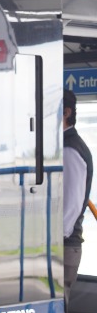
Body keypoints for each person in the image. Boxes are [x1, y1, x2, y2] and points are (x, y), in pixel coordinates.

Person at [64, 88, 91, 290]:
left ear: (67, 113)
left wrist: (51, 240)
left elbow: (71, 205)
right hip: (64, 244)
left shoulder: (69, 149)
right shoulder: (66, 145)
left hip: (63, 246)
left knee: (57, 306)